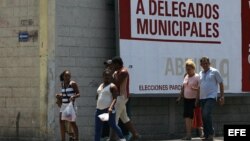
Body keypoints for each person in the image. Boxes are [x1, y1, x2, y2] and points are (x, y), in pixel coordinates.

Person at [110, 56, 140, 141]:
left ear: (117, 64)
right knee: (124, 118)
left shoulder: (123, 72)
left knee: (114, 119)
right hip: (119, 97)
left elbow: (116, 84)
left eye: (113, 64)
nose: (112, 66)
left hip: (121, 97)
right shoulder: (117, 71)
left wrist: (112, 72)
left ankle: (112, 139)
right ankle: (135, 134)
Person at [95, 69, 126, 141]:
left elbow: (115, 98)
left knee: (113, 125)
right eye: (105, 76)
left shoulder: (112, 86)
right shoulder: (101, 85)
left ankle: (122, 138)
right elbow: (98, 94)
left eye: (108, 76)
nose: (107, 77)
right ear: (103, 76)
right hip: (99, 110)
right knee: (98, 129)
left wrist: (111, 107)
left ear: (110, 77)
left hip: (108, 110)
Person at [199, 57, 225, 140]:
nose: (205, 65)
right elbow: (200, 86)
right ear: (201, 65)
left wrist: (222, 96)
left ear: (209, 63)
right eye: (203, 63)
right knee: (204, 116)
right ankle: (207, 135)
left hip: (211, 97)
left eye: (206, 63)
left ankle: (211, 133)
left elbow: (221, 83)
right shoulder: (200, 73)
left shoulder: (214, 71)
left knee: (206, 114)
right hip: (202, 98)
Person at [176, 59, 200, 140]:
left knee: (197, 117)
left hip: (195, 100)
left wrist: (195, 89)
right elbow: (183, 87)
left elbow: (201, 89)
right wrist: (180, 96)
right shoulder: (185, 76)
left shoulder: (197, 77)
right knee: (187, 117)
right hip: (186, 100)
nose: (188, 70)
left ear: (193, 68)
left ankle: (202, 132)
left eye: (189, 69)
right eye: (186, 69)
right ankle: (188, 135)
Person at [56, 70, 80, 141]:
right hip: (64, 105)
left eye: (69, 76)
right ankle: (63, 139)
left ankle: (76, 138)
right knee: (61, 121)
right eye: (66, 76)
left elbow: (78, 94)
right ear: (63, 76)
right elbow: (64, 95)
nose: (67, 77)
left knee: (72, 123)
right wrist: (59, 95)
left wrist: (73, 97)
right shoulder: (62, 84)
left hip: (71, 106)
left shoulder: (72, 83)